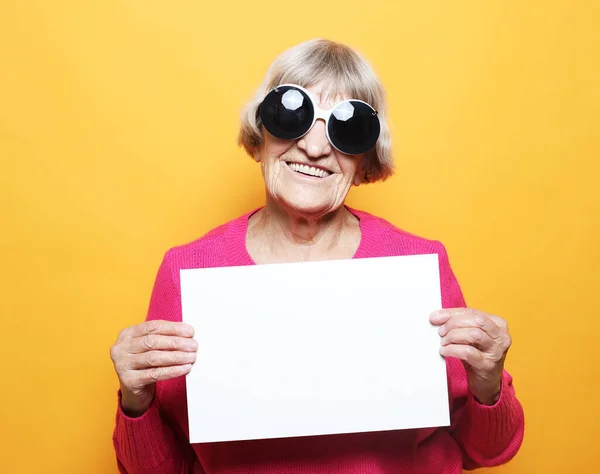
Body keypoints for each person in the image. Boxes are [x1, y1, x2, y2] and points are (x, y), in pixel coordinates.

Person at [110, 38, 524, 474]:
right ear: (260, 136)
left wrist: (488, 384)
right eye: (292, 116)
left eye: (346, 129)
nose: (314, 147)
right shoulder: (188, 271)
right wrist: (137, 401)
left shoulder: (418, 264)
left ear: (366, 161)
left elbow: (488, 451)